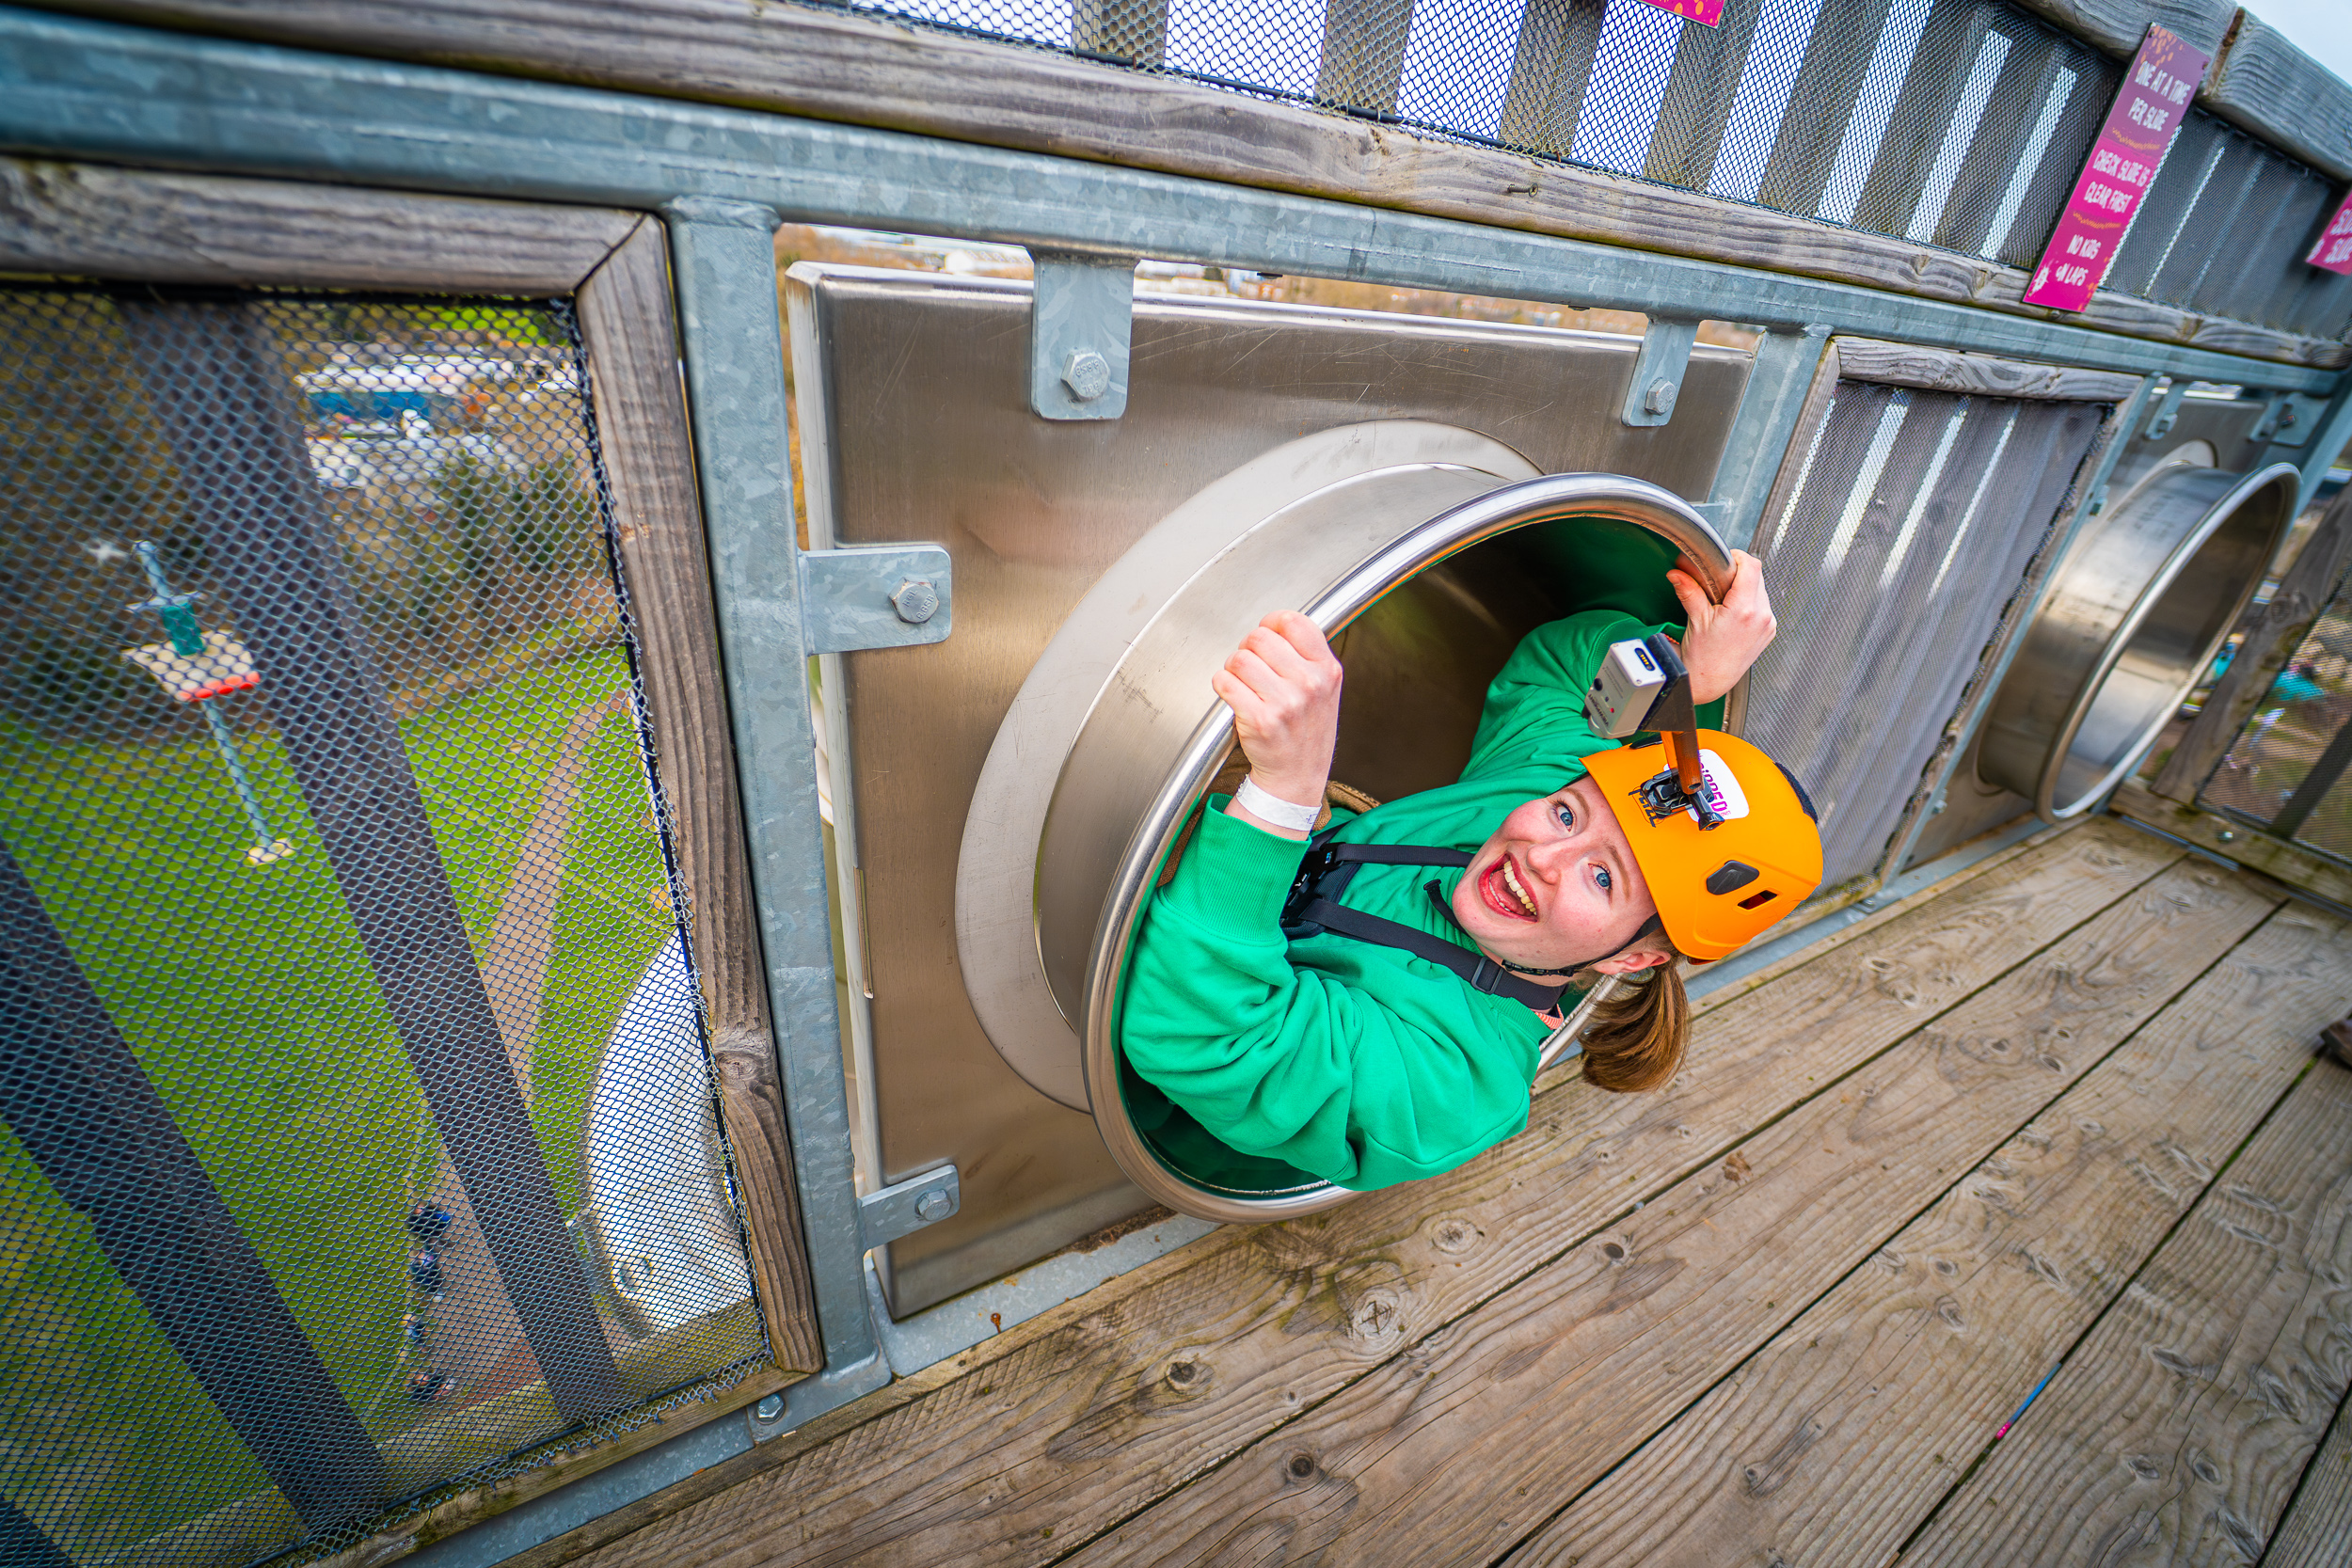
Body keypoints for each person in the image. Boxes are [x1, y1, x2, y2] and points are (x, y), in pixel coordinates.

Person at [1120, 550, 1823, 1194]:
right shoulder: (1536, 785)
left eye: (1603, 879)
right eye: (1569, 814)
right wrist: (1679, 669)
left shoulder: (1459, 1082)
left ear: (1637, 955)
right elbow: (1558, 669)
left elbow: (1200, 1035)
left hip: (1129, 1081)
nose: (1538, 855)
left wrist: (1283, 795)